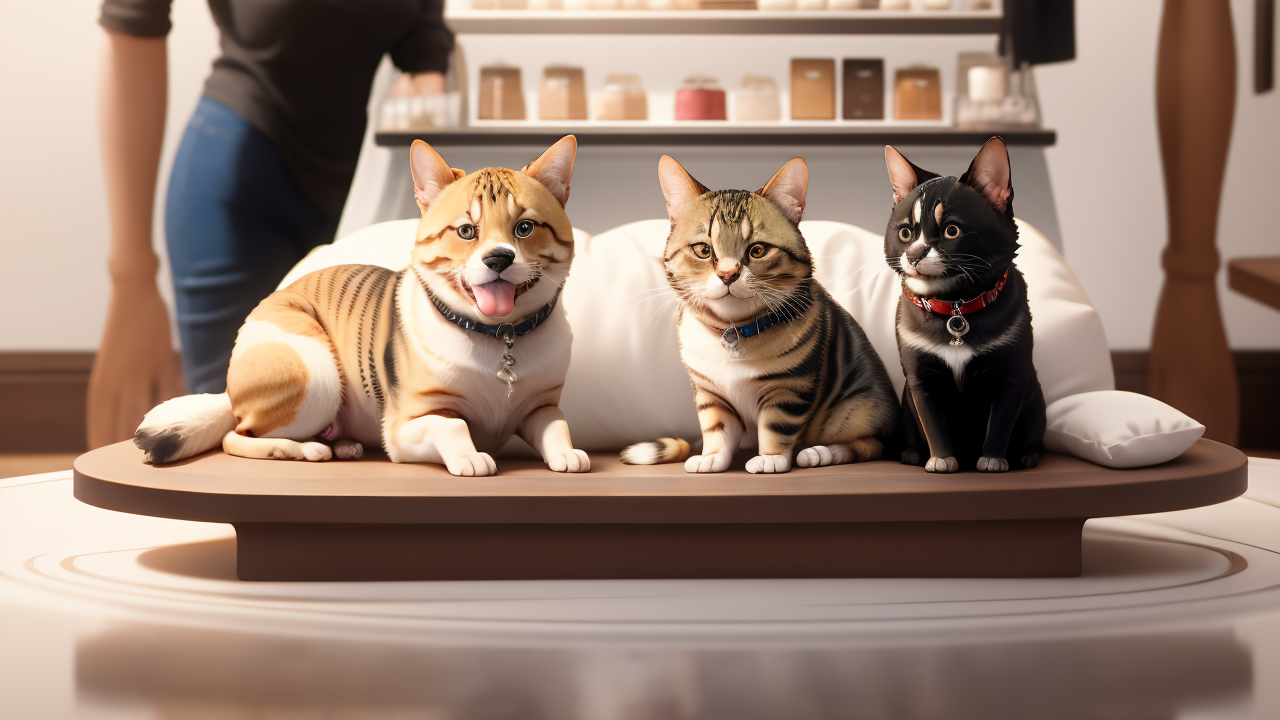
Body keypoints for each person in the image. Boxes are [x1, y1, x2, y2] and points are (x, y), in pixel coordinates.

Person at [88, 0, 452, 448]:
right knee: (233, 429)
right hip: (235, 191)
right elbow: (132, 20)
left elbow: (424, 47)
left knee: (321, 434)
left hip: (342, 199)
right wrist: (132, 274)